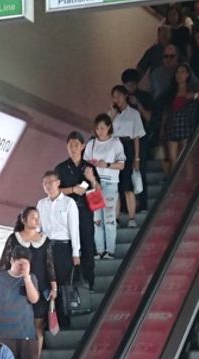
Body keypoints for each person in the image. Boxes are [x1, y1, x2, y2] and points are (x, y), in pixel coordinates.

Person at [0, 208, 56, 359]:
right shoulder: (14, 238)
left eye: (38, 217)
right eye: (33, 218)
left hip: (40, 289)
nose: (37, 220)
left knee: (38, 326)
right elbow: (4, 263)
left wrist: (54, 287)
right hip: (17, 289)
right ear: (24, 220)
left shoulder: (45, 240)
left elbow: (50, 265)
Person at [37, 171, 80, 327]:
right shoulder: (41, 204)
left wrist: (76, 252)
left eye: (51, 182)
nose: (48, 185)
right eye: (45, 183)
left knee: (62, 283)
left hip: (63, 246)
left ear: (58, 183)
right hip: (46, 245)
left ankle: (64, 320)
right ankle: (48, 320)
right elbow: (39, 227)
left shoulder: (68, 202)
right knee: (47, 282)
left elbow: (74, 228)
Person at [83, 113, 125, 259]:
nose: (99, 131)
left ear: (108, 127)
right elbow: (85, 163)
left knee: (109, 218)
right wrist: (92, 167)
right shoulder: (91, 144)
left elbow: (121, 164)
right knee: (97, 219)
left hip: (110, 182)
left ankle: (110, 250)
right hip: (95, 183)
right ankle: (100, 250)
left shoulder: (115, 142)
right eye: (97, 128)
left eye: (102, 128)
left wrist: (106, 164)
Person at [57, 132, 96, 290]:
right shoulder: (61, 168)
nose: (73, 148)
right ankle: (70, 284)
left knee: (87, 247)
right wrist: (73, 189)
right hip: (66, 214)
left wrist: (92, 179)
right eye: (70, 145)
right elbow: (55, 191)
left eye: (76, 145)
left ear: (82, 146)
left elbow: (98, 191)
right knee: (69, 248)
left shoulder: (89, 167)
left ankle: (89, 283)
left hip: (85, 211)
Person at [160, 60, 199, 175]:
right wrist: (162, 129)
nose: (179, 75)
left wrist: (195, 95)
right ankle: (174, 180)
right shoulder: (171, 92)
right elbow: (166, 112)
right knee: (173, 159)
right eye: (177, 72)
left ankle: (187, 179)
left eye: (182, 72)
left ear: (188, 74)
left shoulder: (192, 91)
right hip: (172, 126)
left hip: (186, 126)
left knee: (185, 157)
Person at [110, 84, 145, 218]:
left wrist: (137, 158)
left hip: (128, 147)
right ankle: (116, 217)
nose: (117, 99)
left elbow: (136, 137)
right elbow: (104, 132)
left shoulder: (134, 113)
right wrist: (112, 115)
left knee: (128, 185)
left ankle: (131, 217)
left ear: (125, 95)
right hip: (114, 148)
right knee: (116, 185)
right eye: (114, 97)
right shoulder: (111, 114)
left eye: (119, 95)